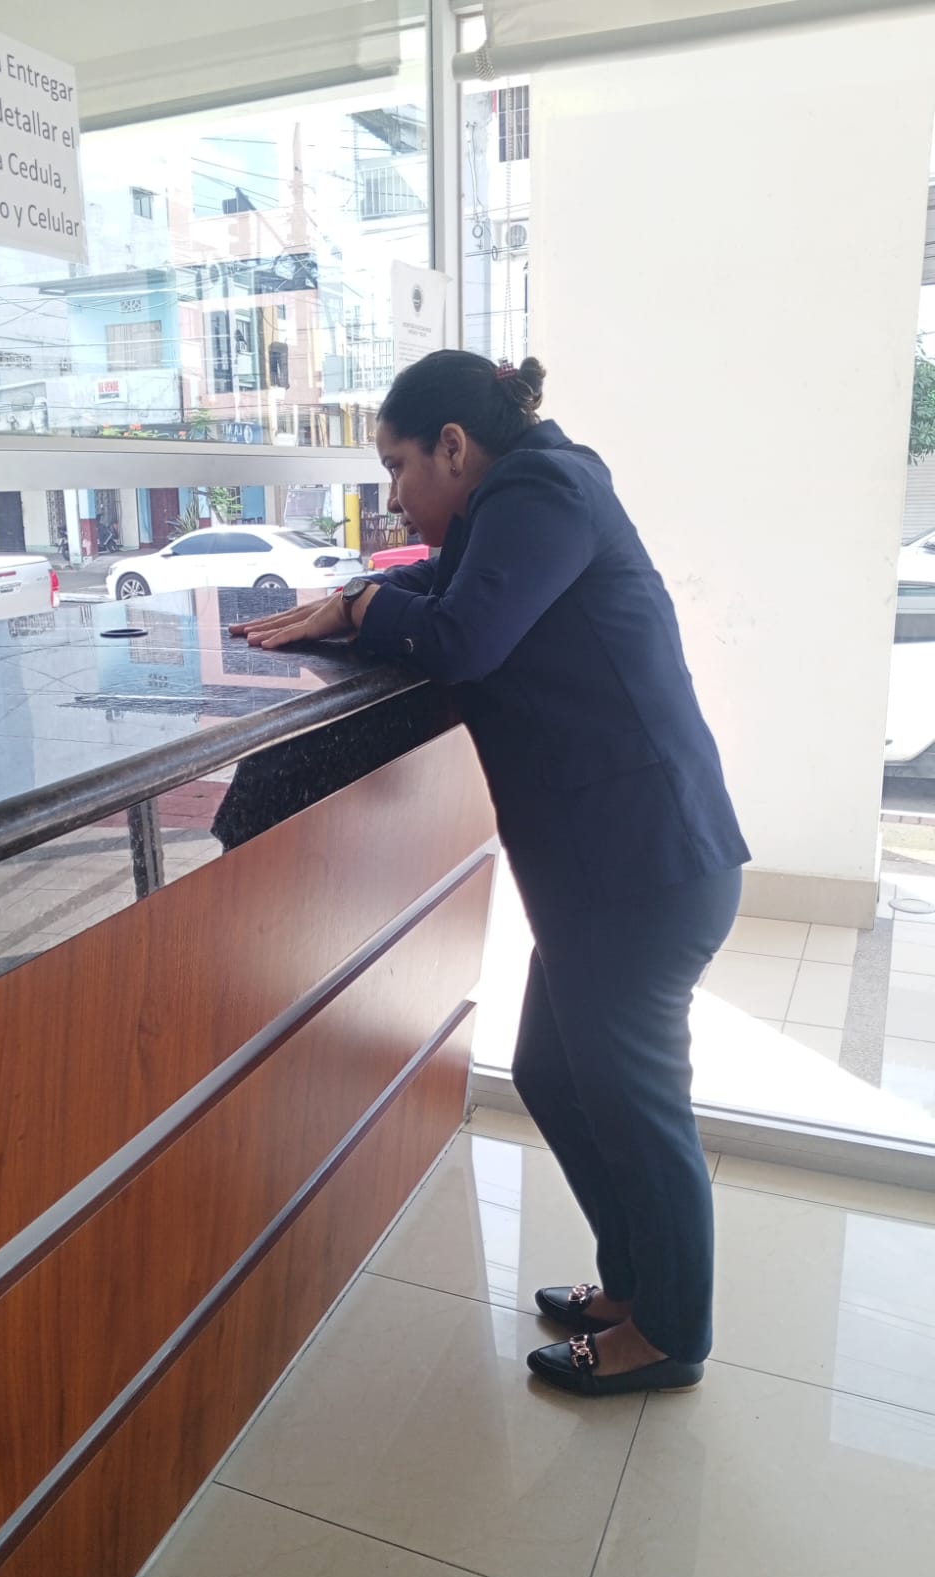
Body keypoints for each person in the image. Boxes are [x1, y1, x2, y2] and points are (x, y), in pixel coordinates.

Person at [229, 348, 749, 1398]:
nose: (392, 495)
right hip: (608, 869)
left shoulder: (544, 489)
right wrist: (359, 595)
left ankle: (670, 1332)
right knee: (556, 1074)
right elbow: (441, 587)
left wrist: (361, 609)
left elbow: (463, 636)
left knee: (640, 1107)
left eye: (398, 466)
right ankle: (635, 1287)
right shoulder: (515, 503)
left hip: (643, 867)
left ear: (455, 447)